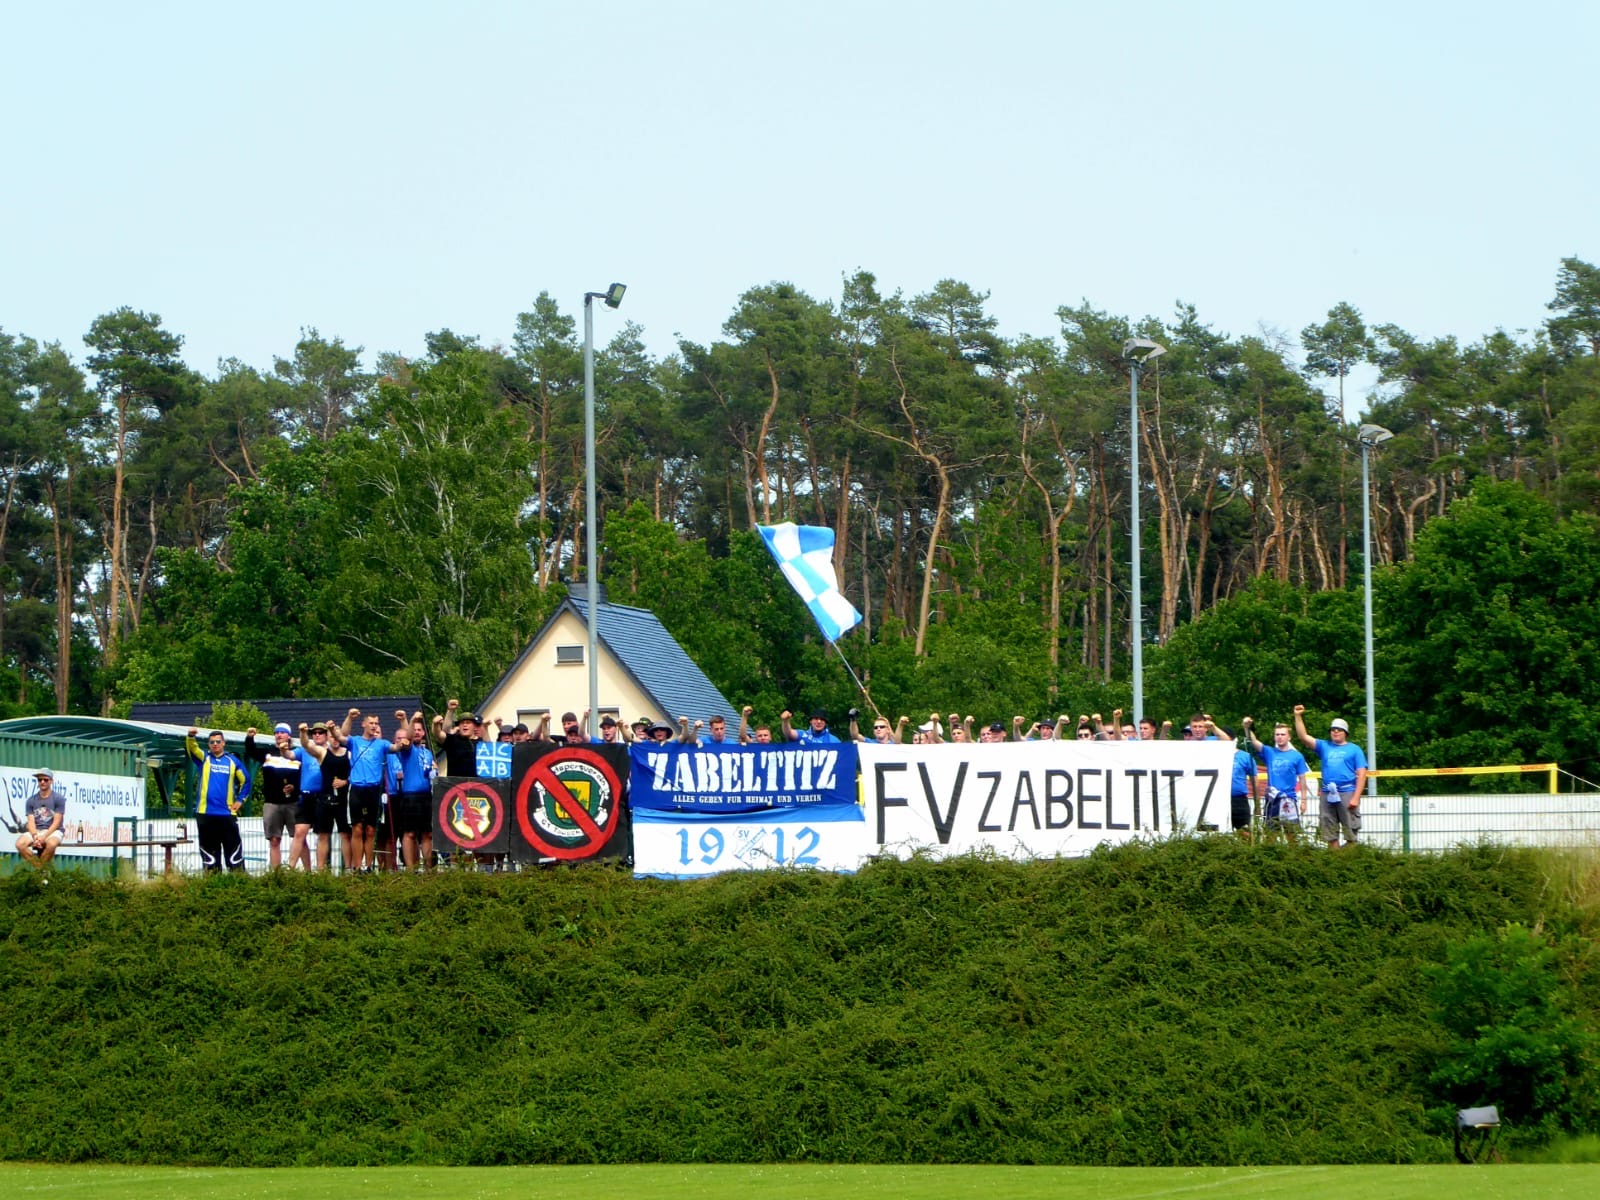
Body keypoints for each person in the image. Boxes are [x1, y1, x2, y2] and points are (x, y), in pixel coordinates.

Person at [1294, 706, 1367, 848]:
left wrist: (1356, 797)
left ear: (1345, 732)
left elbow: (1362, 773)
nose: (1335, 732)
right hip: (1327, 793)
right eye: (1333, 729)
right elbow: (1303, 737)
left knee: (1351, 832)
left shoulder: (1354, 749)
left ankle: (1348, 863)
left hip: (1347, 792)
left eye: (1338, 729)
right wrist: (1298, 716)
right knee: (1329, 832)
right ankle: (1335, 863)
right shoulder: (1324, 746)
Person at [185, 728, 251, 873]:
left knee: (233, 852)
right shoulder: (204, 758)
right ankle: (212, 883)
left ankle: (239, 881)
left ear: (223, 743)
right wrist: (190, 737)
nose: (215, 744)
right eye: (212, 742)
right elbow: (192, 748)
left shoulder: (233, 761)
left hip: (226, 814)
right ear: (208, 744)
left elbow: (246, 781)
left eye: (218, 742)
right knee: (209, 853)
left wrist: (240, 800)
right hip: (205, 814)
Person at [243, 723, 307, 871]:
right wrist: (250, 737)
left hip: (293, 803)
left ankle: (307, 872)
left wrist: (295, 788)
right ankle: (276, 874)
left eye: (282, 733)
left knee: (300, 838)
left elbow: (306, 777)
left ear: (289, 736)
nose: (279, 735)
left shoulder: (297, 755)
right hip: (272, 803)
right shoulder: (268, 754)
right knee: (274, 840)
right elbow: (251, 751)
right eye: (276, 733)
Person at [1243, 717, 1310, 837]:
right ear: (1274, 737)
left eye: (1283, 734)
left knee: (1291, 835)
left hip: (1289, 799)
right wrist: (1247, 728)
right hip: (1272, 800)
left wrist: (1304, 801)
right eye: (1277, 734)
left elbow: (1302, 779)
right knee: (1270, 834)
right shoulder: (1270, 752)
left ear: (1289, 737)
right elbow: (1254, 741)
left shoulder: (1297, 756)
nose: (1280, 737)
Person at [341, 708, 388, 873]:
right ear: (364, 724)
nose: (374, 726)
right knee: (357, 828)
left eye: (376, 723)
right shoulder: (354, 741)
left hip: (374, 790)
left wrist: (404, 742)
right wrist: (349, 717)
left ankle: (368, 866)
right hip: (357, 789)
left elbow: (399, 747)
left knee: (370, 829)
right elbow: (341, 736)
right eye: (371, 723)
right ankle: (357, 866)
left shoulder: (382, 744)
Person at [385, 720, 436, 871]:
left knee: (427, 833)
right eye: (414, 730)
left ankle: (428, 869)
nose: (417, 732)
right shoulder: (407, 749)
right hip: (410, 796)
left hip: (426, 795)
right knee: (410, 833)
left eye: (420, 730)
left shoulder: (427, 752)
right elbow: (406, 740)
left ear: (424, 733)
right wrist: (410, 719)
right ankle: (410, 869)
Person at [14, 768, 65, 872]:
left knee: (51, 844)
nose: (42, 782)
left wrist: (44, 836)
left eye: (45, 780)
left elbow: (57, 822)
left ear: (51, 781)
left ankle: (40, 872)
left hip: (53, 830)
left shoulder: (58, 799)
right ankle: (41, 870)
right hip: (37, 831)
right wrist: (35, 836)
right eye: (40, 780)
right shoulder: (31, 800)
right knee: (20, 844)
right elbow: (31, 821)